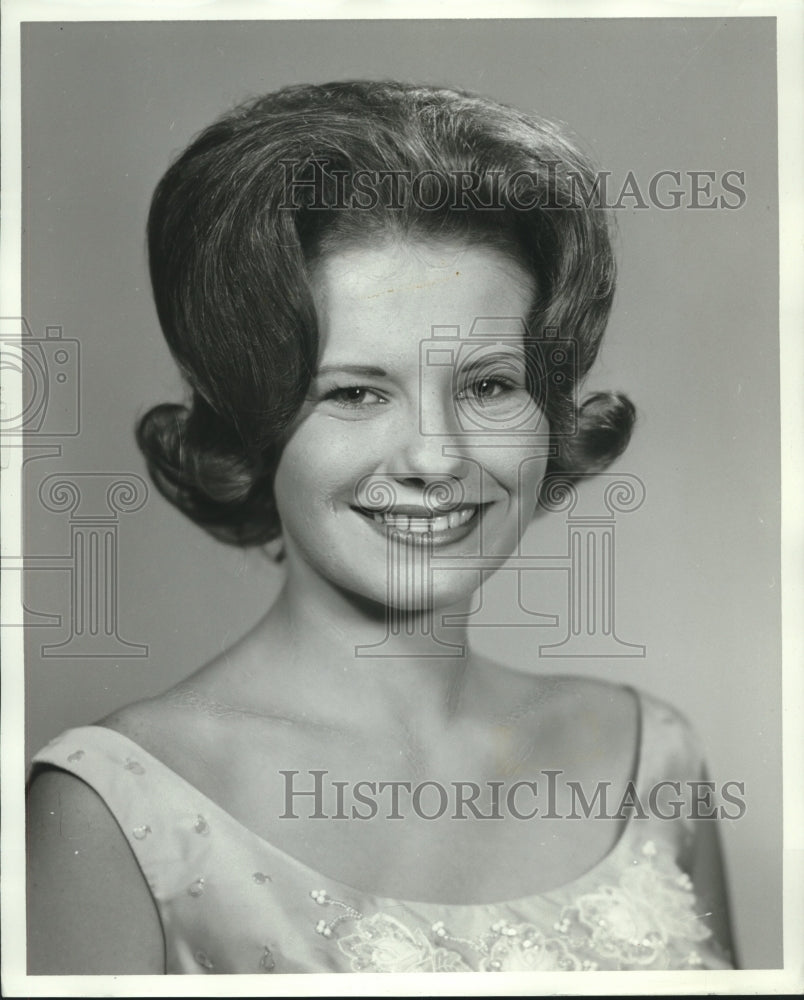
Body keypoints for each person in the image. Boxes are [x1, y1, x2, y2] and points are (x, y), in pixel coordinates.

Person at [26, 80, 734, 975]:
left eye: (488, 385)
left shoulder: (649, 756)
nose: (437, 459)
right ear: (253, 420)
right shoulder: (115, 807)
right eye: (355, 392)